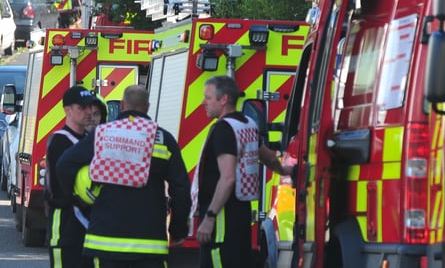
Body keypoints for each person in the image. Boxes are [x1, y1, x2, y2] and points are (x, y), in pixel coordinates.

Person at [57, 85, 191, 268]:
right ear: (147, 107)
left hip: (105, 240)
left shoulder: (102, 134)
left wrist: (83, 201)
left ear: (122, 105)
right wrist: (177, 230)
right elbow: (181, 188)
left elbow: (64, 165)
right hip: (149, 244)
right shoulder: (163, 139)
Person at [194, 75, 292, 268]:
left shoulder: (223, 129)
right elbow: (269, 157)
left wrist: (209, 217)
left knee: (216, 261)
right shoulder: (246, 124)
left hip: (221, 217)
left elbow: (228, 178)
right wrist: (287, 170)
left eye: (208, 98)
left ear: (223, 100)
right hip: (240, 215)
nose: (203, 102)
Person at [46, 85, 96, 268]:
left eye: (90, 107)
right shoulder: (60, 141)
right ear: (68, 110)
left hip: (87, 225)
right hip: (65, 224)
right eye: (82, 107)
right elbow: (59, 187)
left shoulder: (89, 140)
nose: (89, 112)